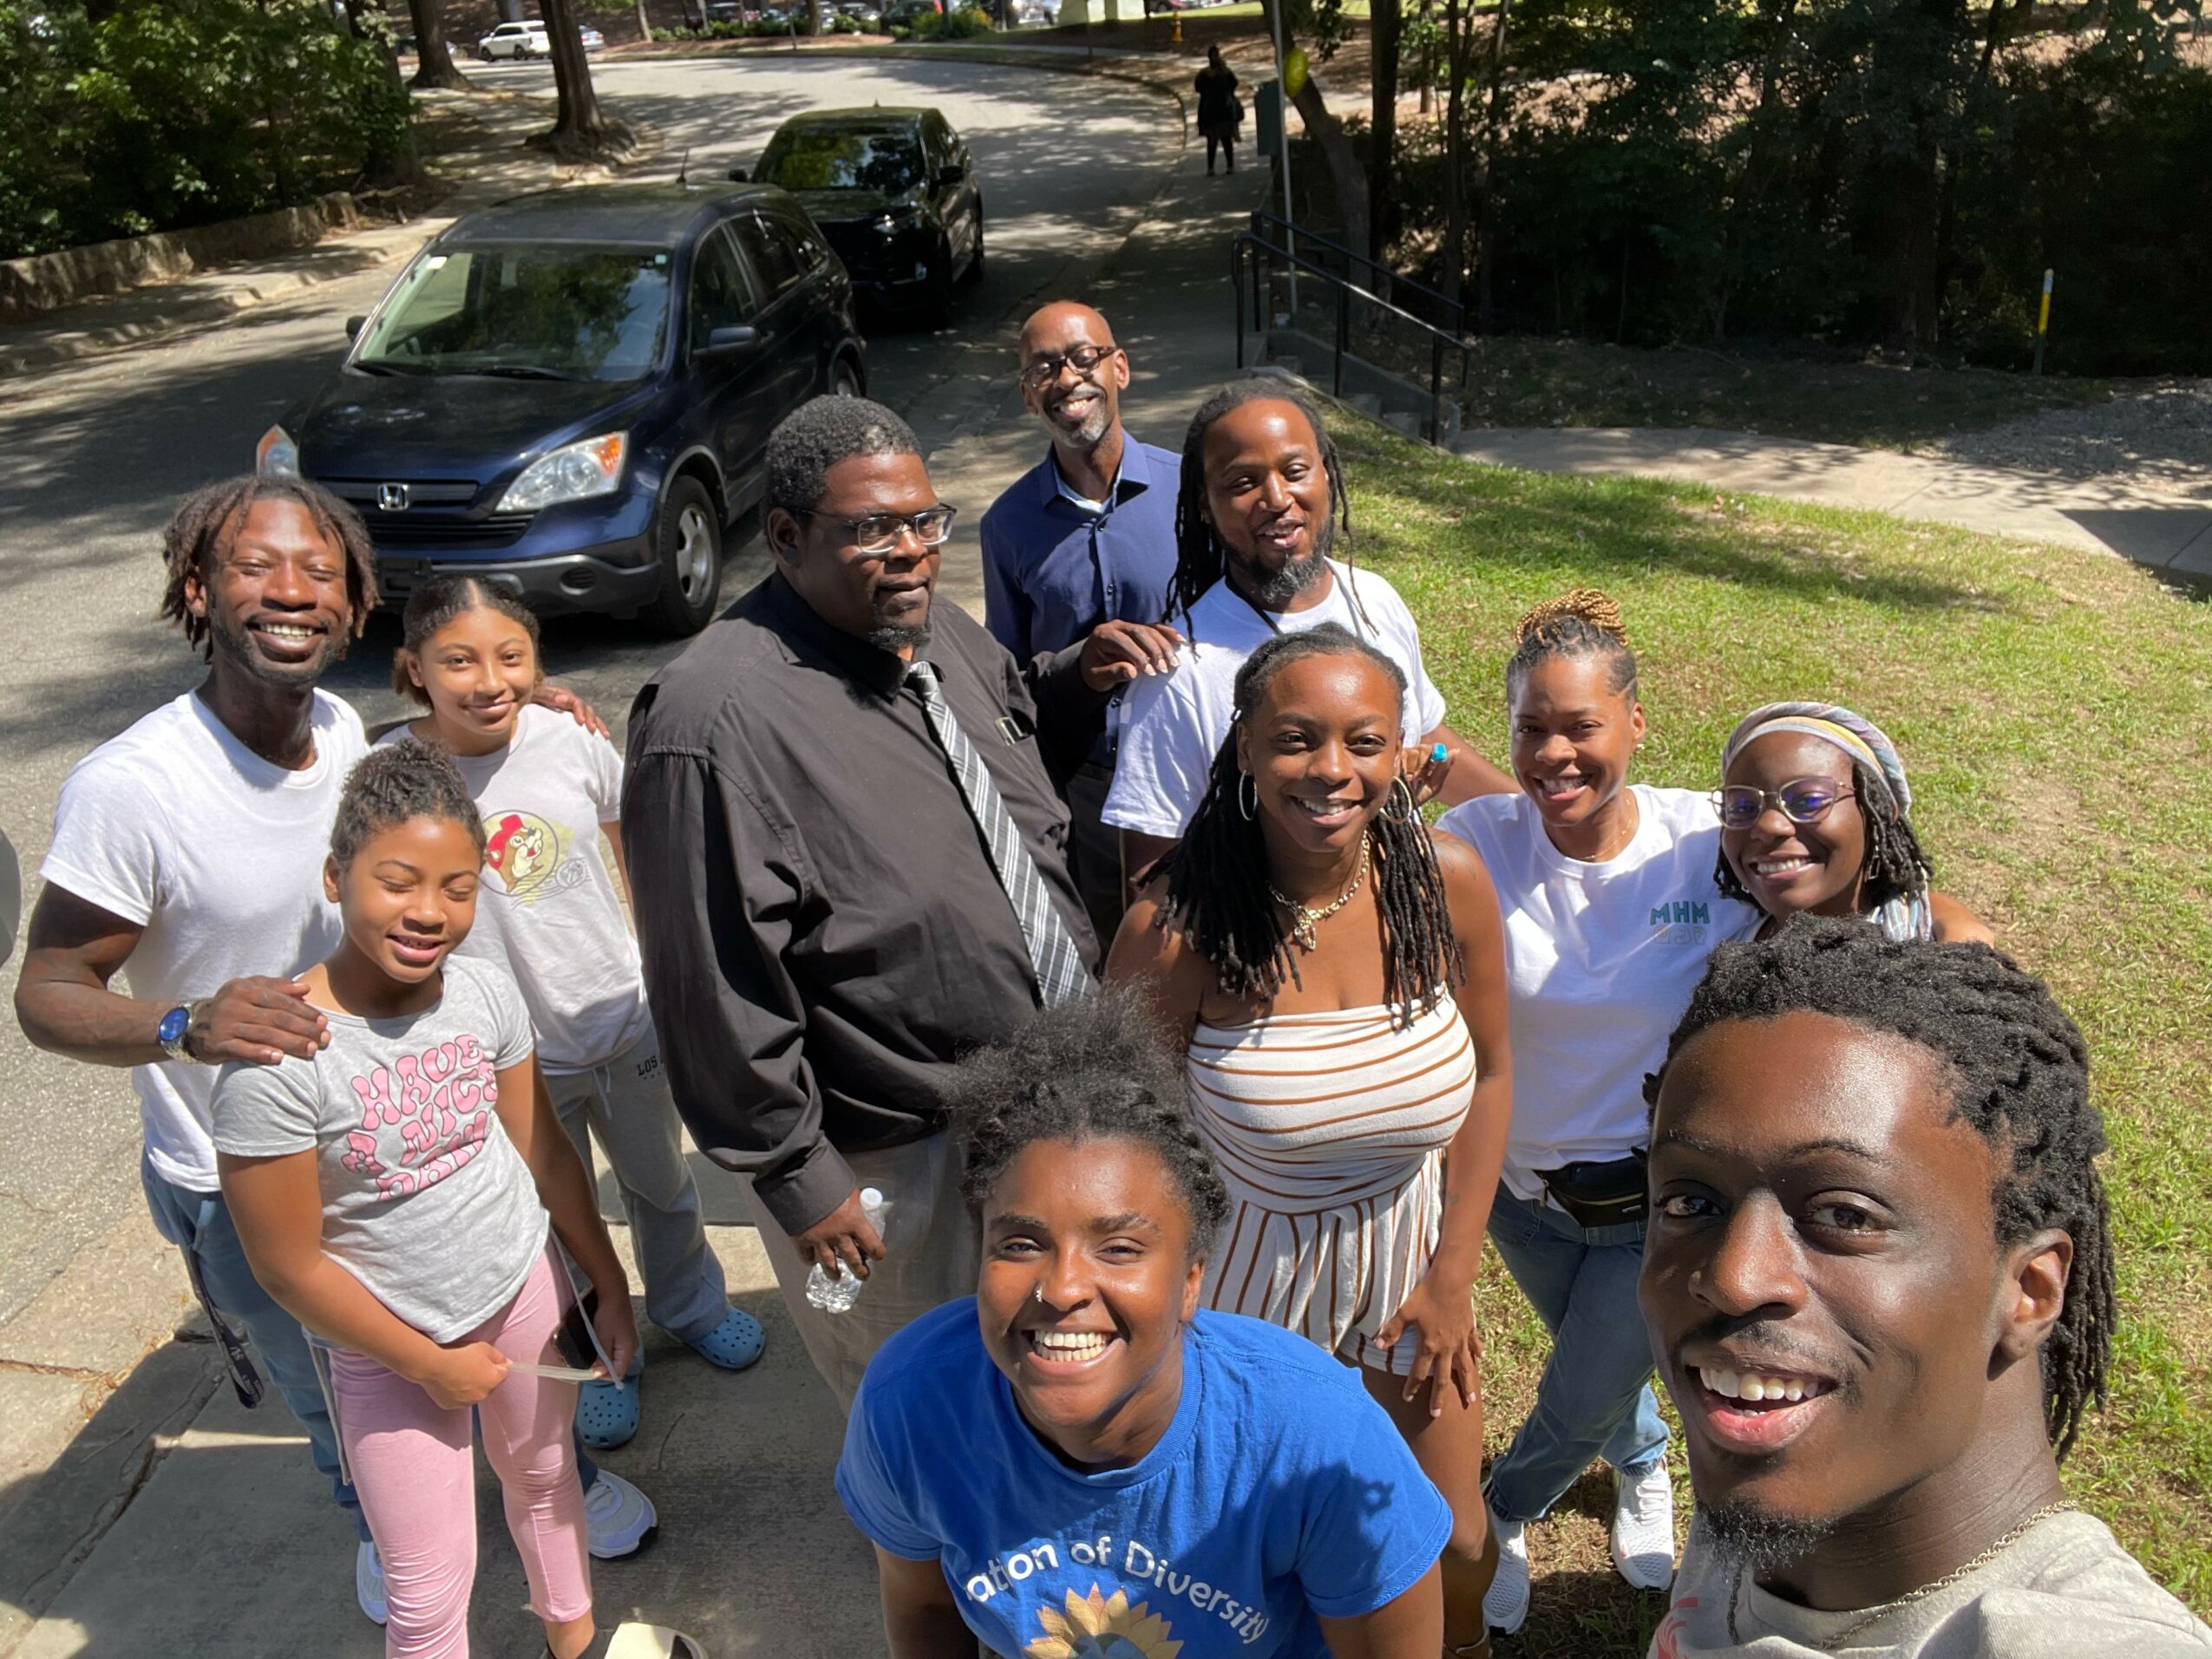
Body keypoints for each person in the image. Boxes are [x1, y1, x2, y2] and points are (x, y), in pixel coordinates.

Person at [10, 478, 656, 1627]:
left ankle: (558, 1487)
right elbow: (49, 992)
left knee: (484, 1329)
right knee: (345, 1399)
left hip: (398, 1123)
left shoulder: (343, 730)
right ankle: (383, 1530)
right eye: (258, 566)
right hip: (242, 1166)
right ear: (200, 590)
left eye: (321, 570)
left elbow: (423, 778)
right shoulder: (134, 786)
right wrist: (183, 1021)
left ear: (355, 605)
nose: (293, 590)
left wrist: (538, 705)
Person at [625, 396, 1160, 1408]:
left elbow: (1004, 733)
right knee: (921, 1396)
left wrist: (1073, 678)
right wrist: (796, 1175)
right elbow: (709, 984)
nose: (912, 550)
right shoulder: (711, 721)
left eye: (926, 519)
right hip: (900, 1152)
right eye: (872, 528)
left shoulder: (927, 622)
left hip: (1045, 1100)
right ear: (785, 537)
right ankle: (930, 1561)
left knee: (1039, 1362)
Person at [213, 744, 708, 1659]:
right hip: (389, 1350)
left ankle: (578, 1643)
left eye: (459, 886)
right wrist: (425, 1362)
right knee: (429, 1584)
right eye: (397, 881)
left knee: (549, 1479)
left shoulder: (483, 991)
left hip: (522, 1292)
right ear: (335, 875)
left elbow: (546, 1154)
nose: (429, 912)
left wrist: (600, 1281)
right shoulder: (276, 1061)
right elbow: (287, 1262)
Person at [1641, 917, 2212, 1657]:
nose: (1731, 1277)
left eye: (1845, 1213)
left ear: (2030, 1290)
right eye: (1691, 1202)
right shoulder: (1787, 1491)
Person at [1107, 624, 1515, 1657]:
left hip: (1410, 1265)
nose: (1332, 769)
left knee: (1457, 1539)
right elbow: (1119, 1144)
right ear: (1243, 749)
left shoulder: (1449, 882)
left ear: (1401, 751)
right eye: (1297, 739)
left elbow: (1496, 1074)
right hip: (1244, 1288)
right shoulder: (1175, 928)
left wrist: (1455, 1273)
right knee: (1252, 1567)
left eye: (1365, 740)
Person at [837, 989, 1456, 1659]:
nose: (1062, 1285)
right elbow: (924, 1608)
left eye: (1120, 1247)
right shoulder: (912, 1405)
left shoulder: (1316, 1441)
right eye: (1020, 1243)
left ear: (1191, 1280)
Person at [1433, 590, 1761, 1635]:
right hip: (1519, 1195)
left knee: (1579, 1386)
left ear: (1636, 723)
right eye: (1533, 727)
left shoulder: (1707, 846)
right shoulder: (1470, 840)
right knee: (1600, 1361)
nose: (1554, 754)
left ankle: (1502, 1507)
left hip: (1658, 1201)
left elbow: (1854, 869)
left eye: (1582, 726)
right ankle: (1644, 1456)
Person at [381, 574, 765, 1453]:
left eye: (512, 655)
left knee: (661, 1183)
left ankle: (689, 1306)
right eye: (459, 660)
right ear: (414, 669)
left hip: (621, 1019)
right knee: (555, 1216)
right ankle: (600, 1348)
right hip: (509, 1057)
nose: (490, 679)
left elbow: (644, 846)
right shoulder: (401, 776)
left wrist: (673, 969)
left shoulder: (571, 739)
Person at [1102, 378, 1514, 895]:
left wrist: (1531, 815)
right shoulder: (1178, 672)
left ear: (1326, 473)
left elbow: (1426, 738)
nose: (1277, 499)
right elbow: (1147, 878)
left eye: (1295, 471)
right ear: (1204, 504)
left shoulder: (1374, 599)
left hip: (1394, 920)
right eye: (1242, 483)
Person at [980, 302, 1188, 940]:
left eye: (1083, 357)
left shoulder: (1193, 490)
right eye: (1044, 367)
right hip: (1084, 793)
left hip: (1192, 777)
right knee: (1107, 961)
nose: (1066, 377)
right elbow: (1006, 683)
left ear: (1119, 367)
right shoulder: (1006, 525)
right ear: (1026, 394)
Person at [1714, 700, 1995, 945]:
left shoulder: (1934, 958)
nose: (1768, 826)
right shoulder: (1721, 929)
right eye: (1742, 806)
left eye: (1809, 800)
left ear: (1879, 816)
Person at [1195, 46, 1243, 176]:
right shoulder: (1219, 73)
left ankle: (1223, 167)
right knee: (1218, 140)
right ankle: (1220, 167)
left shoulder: (1208, 74)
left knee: (1220, 140)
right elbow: (1234, 85)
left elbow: (1198, 88)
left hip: (1216, 111)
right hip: (1218, 111)